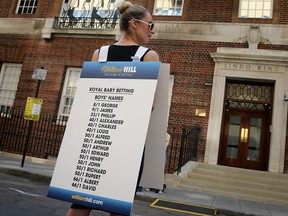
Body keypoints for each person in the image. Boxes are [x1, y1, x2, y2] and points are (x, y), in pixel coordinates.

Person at [66, 1, 159, 216]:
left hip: (96, 139)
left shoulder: (100, 54)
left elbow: (87, 99)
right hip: (127, 145)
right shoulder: (148, 56)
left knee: (80, 205)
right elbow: (149, 106)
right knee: (117, 208)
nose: (152, 32)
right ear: (135, 23)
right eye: (150, 25)